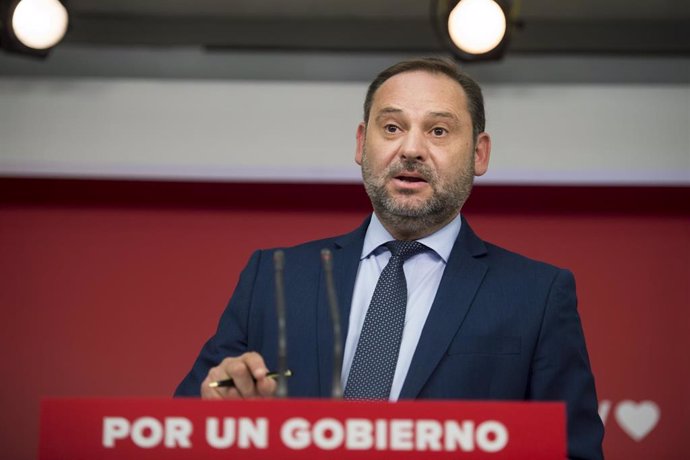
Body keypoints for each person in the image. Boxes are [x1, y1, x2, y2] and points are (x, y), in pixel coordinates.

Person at [175, 57, 604, 459]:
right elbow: (180, 429)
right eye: (393, 127)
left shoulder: (538, 296)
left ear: (479, 153)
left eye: (438, 131)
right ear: (362, 143)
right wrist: (215, 402)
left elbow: (573, 451)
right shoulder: (273, 279)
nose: (411, 149)